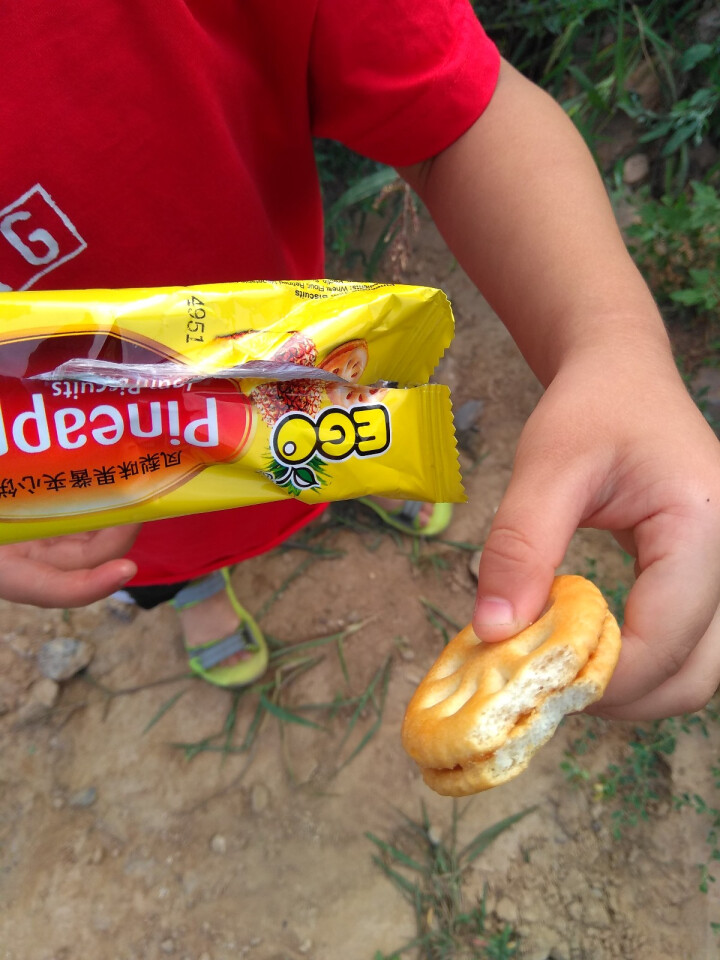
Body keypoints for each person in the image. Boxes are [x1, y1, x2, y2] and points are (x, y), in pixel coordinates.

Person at [1, 1, 718, 719]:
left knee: (335, 423)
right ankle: (199, 588)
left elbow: (457, 115)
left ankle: (354, 470)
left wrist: (612, 340)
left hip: (290, 361)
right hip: (78, 487)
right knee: (140, 563)